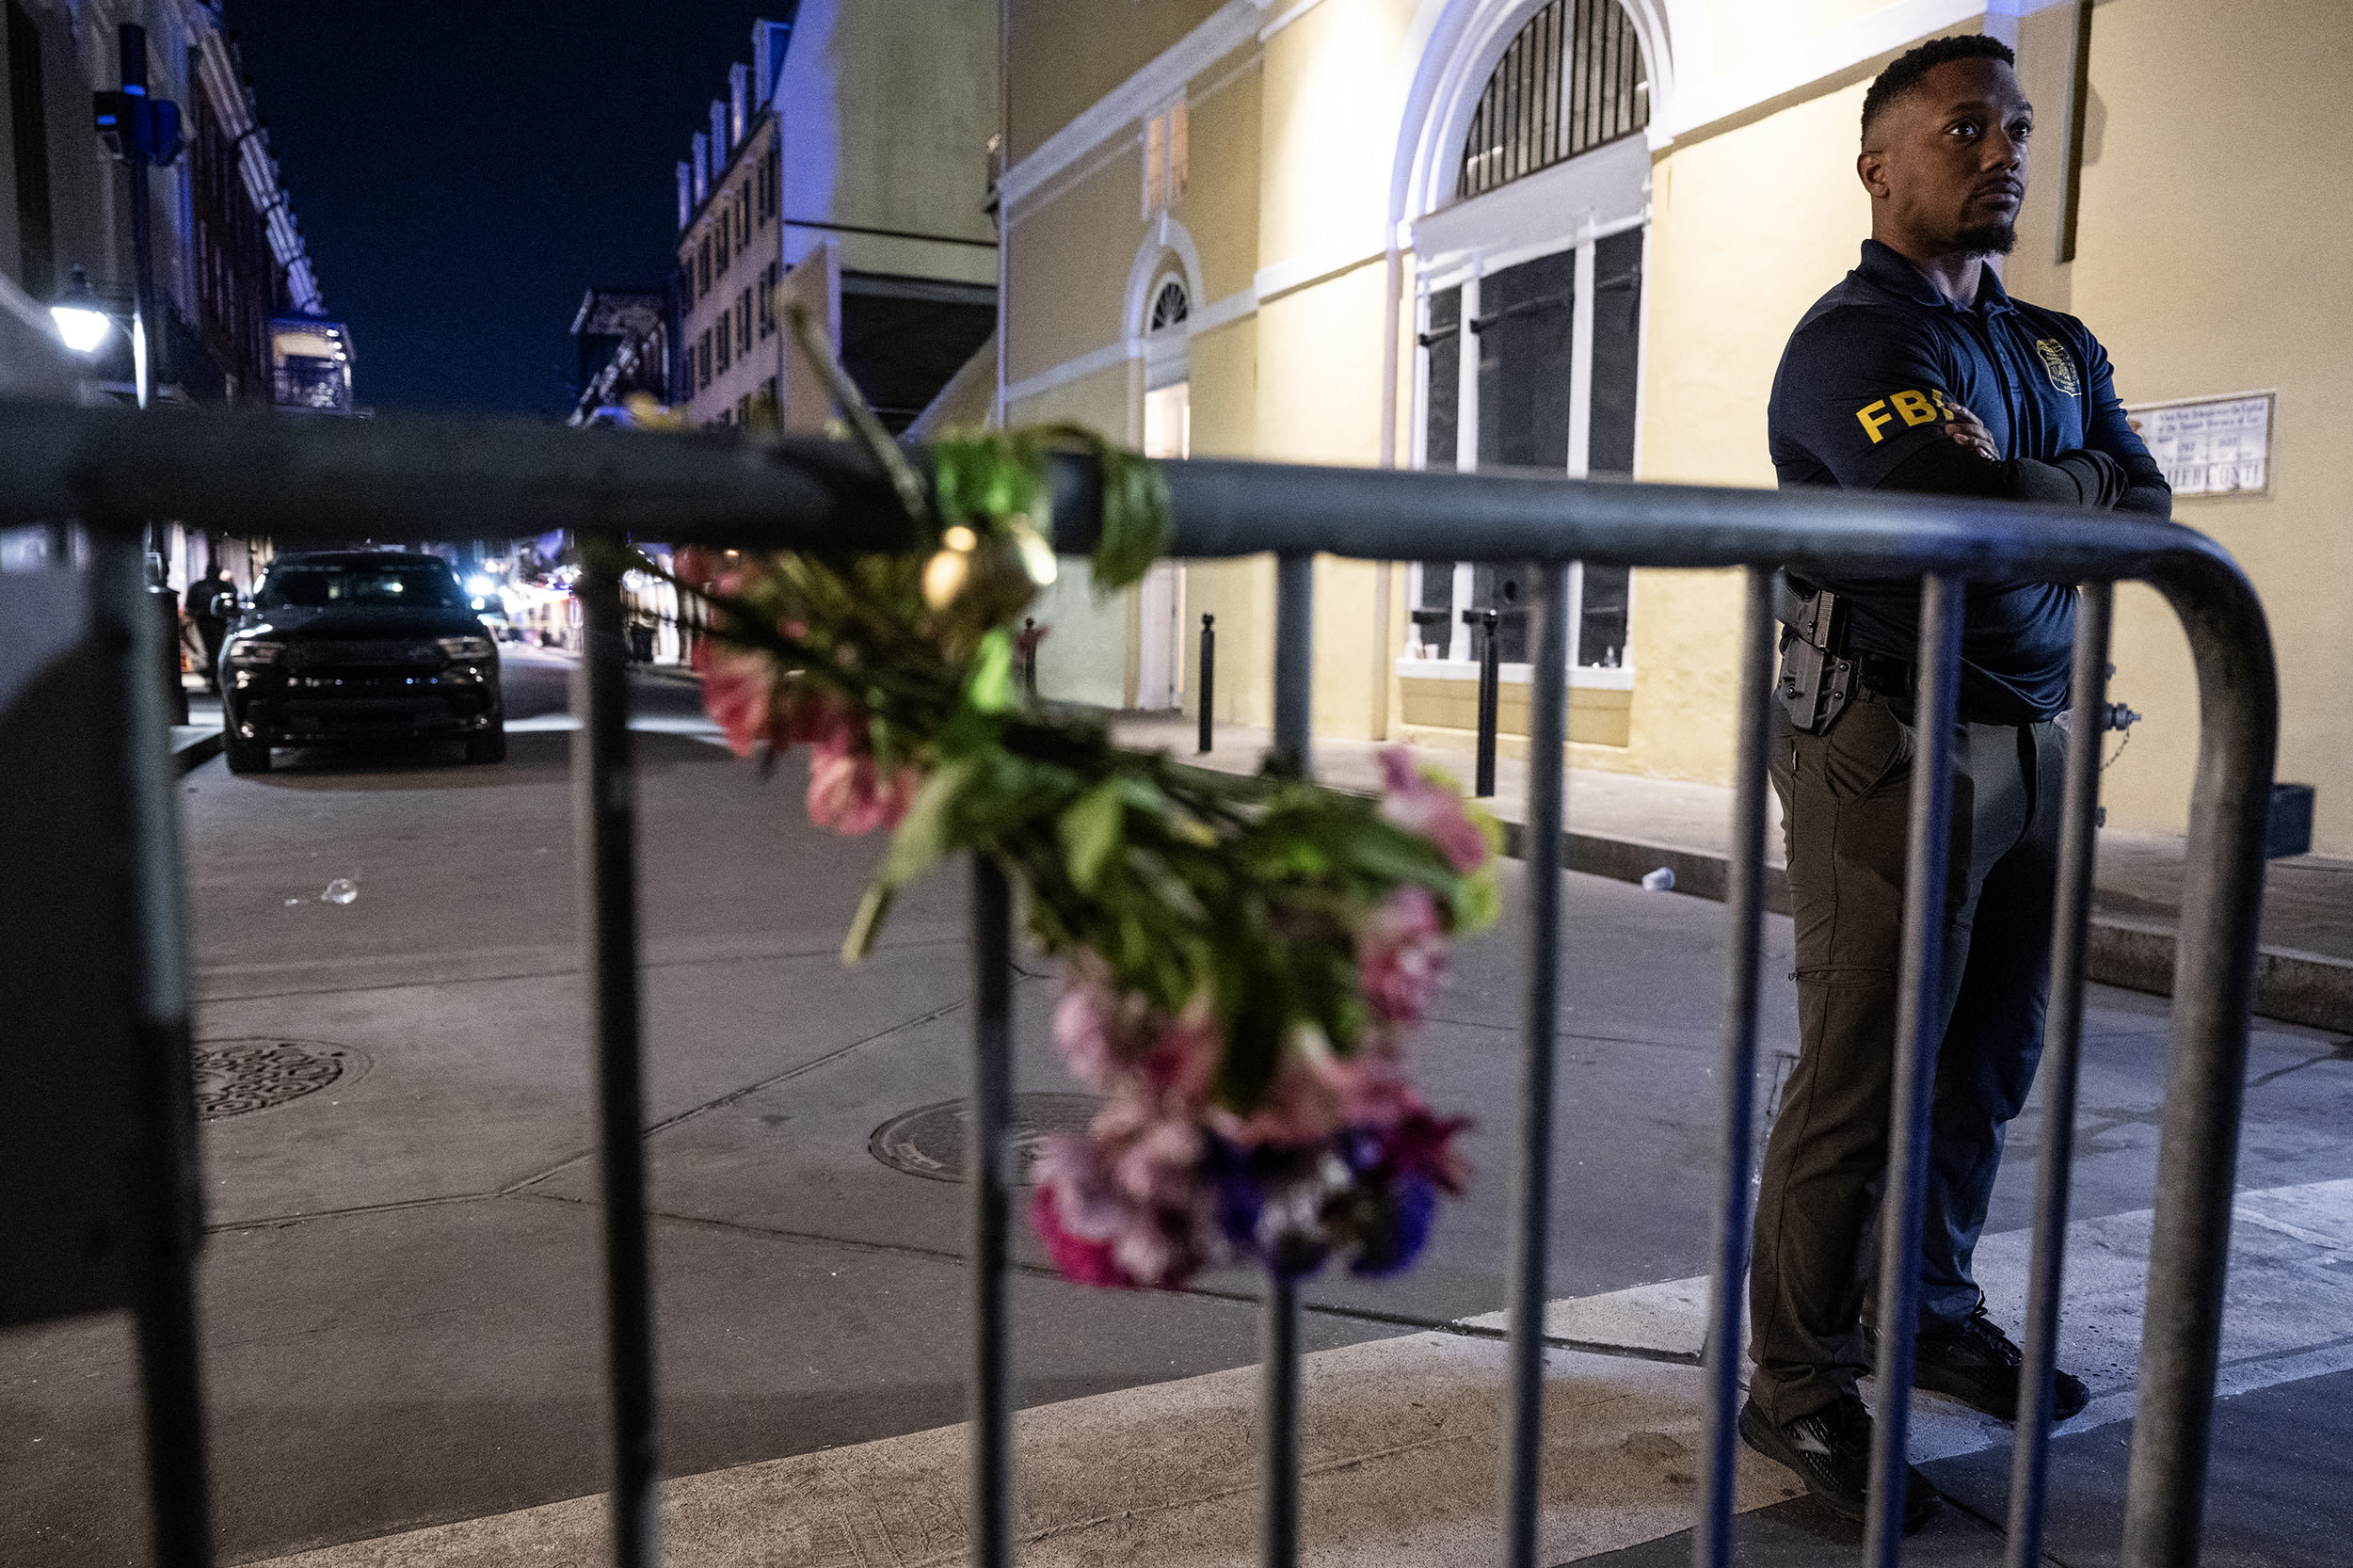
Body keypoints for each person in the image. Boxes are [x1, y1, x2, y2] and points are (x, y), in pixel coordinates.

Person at [1743, 34, 2169, 1530]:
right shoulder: (1854, 344)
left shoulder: (2053, 348)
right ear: (1879, 166)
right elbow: (1954, 503)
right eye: (1965, 128)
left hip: (2043, 735)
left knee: (1991, 1055)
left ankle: (1920, 1306)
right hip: (1887, 735)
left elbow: (2147, 490)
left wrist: (2046, 481)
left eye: (2020, 129)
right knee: (1862, 1068)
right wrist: (2063, 487)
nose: (2002, 152)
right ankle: (1793, 1382)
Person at [186, 562, 238, 693]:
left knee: (211, 648)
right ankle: (217, 678)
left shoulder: (198, 586)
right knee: (218, 649)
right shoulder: (224, 586)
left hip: (204, 620)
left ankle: (215, 678)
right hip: (219, 621)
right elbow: (233, 605)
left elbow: (190, 605)